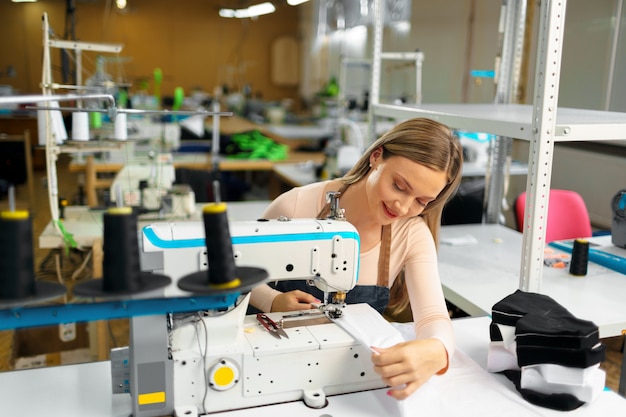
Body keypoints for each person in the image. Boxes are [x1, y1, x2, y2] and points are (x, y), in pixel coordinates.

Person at [249, 117, 463, 400]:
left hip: (345, 382)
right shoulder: (297, 206)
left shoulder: (410, 234)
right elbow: (237, 275)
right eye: (399, 186)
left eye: (421, 202)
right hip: (268, 371)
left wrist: (438, 350)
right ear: (377, 157)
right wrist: (271, 300)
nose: (403, 206)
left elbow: (433, 316)